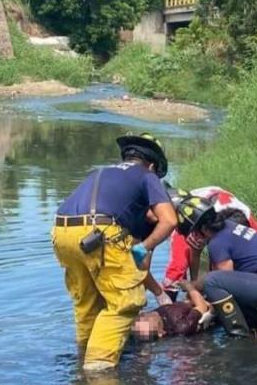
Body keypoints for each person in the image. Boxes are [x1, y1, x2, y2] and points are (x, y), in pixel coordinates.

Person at [52, 133, 177, 372]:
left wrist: (158, 290)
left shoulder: (103, 172)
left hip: (62, 232)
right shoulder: (147, 175)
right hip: (101, 231)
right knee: (127, 302)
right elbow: (169, 221)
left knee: (88, 303)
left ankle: (82, 362)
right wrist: (146, 246)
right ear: (152, 165)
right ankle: (98, 373)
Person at [176, 195, 257, 336]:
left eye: (194, 233)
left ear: (203, 229)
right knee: (217, 281)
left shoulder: (217, 242)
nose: (194, 238)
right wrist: (194, 285)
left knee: (212, 281)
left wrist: (211, 312)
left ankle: (238, 333)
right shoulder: (228, 226)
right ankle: (254, 325)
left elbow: (221, 279)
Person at [162, 186, 257, 286]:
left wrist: (167, 298)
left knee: (217, 283)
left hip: (232, 227)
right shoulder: (201, 200)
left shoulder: (189, 217)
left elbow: (176, 270)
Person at [131, 282, 215, 340]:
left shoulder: (157, 315)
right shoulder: (181, 326)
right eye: (148, 320)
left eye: (143, 316)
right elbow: (202, 306)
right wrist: (188, 286)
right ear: (161, 333)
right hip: (209, 308)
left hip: (189, 303)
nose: (145, 314)